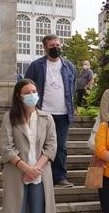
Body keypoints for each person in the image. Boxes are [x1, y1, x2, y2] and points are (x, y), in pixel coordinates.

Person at [0, 79, 57, 213]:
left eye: (34, 90)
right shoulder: (10, 118)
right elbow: (6, 148)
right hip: (17, 174)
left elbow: (51, 147)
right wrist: (25, 168)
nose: (33, 94)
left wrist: (36, 168)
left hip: (40, 174)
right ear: (19, 96)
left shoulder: (46, 118)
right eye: (28, 92)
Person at [24, 34, 77, 188]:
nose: (56, 48)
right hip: (42, 112)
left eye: (58, 45)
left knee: (60, 146)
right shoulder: (36, 66)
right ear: (45, 47)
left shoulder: (69, 66)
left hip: (63, 113)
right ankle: (37, 174)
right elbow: (27, 86)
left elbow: (72, 87)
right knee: (38, 145)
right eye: (52, 45)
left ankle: (59, 177)